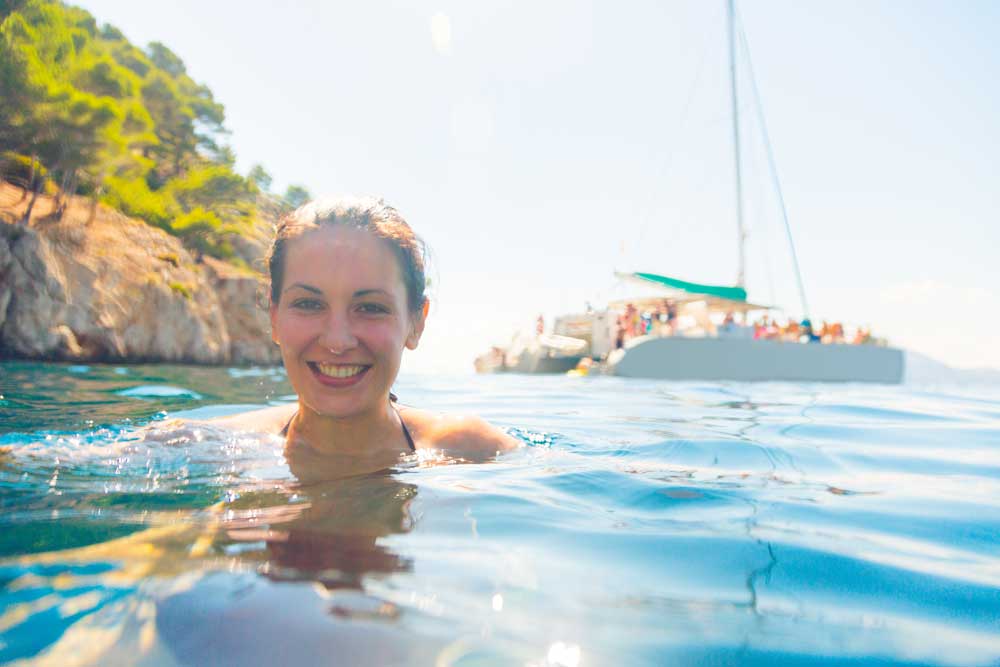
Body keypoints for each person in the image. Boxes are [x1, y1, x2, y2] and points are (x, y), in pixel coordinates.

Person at [213, 196, 518, 477]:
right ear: (274, 316)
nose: (337, 341)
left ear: (416, 323)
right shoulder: (217, 447)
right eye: (309, 304)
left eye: (371, 307)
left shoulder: (474, 453)